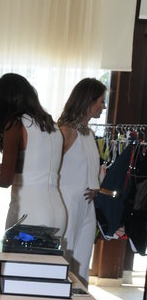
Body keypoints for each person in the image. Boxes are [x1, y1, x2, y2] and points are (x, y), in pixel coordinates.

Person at [0, 73, 66, 236]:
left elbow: (5, 180)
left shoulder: (15, 125)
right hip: (58, 211)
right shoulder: (53, 126)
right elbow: (33, 167)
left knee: (14, 254)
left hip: (28, 212)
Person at [58, 78, 106, 284]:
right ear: (88, 101)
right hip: (68, 201)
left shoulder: (89, 133)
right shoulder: (65, 131)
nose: (103, 106)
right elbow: (51, 167)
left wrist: (95, 186)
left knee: (82, 261)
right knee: (64, 257)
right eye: (101, 101)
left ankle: (79, 299)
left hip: (87, 205)